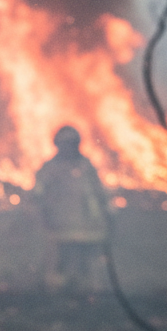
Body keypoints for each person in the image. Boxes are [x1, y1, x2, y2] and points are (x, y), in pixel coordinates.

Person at [33, 125, 109, 294]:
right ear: (58, 144)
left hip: (88, 227)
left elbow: (98, 193)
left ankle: (87, 294)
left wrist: (104, 216)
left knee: (86, 262)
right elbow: (37, 196)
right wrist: (44, 219)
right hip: (60, 226)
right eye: (65, 143)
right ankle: (57, 294)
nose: (69, 147)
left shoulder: (86, 166)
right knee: (60, 261)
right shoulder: (49, 168)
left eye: (72, 143)